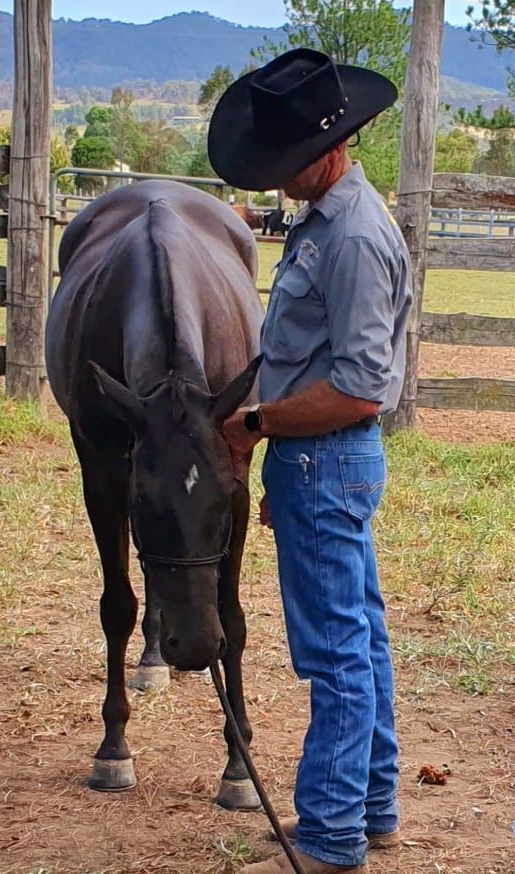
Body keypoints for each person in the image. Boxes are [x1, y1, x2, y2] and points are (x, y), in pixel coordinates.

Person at [208, 49, 413, 874]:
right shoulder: (324, 222)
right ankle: (370, 808)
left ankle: (331, 839)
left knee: (334, 655)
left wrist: (256, 424)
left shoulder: (354, 239)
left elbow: (362, 390)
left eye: (288, 163)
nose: (278, 179)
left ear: (329, 149)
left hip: (323, 458)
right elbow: (309, 359)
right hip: (313, 466)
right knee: (358, 640)